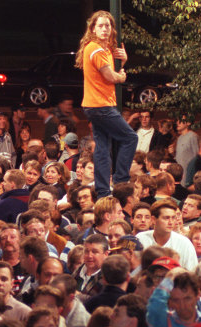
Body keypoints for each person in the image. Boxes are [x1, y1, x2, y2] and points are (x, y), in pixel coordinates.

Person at [77, 10, 138, 198]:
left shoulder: (102, 48)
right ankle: (120, 181)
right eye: (100, 25)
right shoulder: (96, 49)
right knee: (130, 138)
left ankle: (103, 190)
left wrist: (123, 61)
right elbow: (110, 76)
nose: (104, 29)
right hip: (100, 106)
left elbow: (112, 70)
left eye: (107, 25)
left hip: (96, 106)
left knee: (103, 147)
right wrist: (121, 77)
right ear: (93, 29)